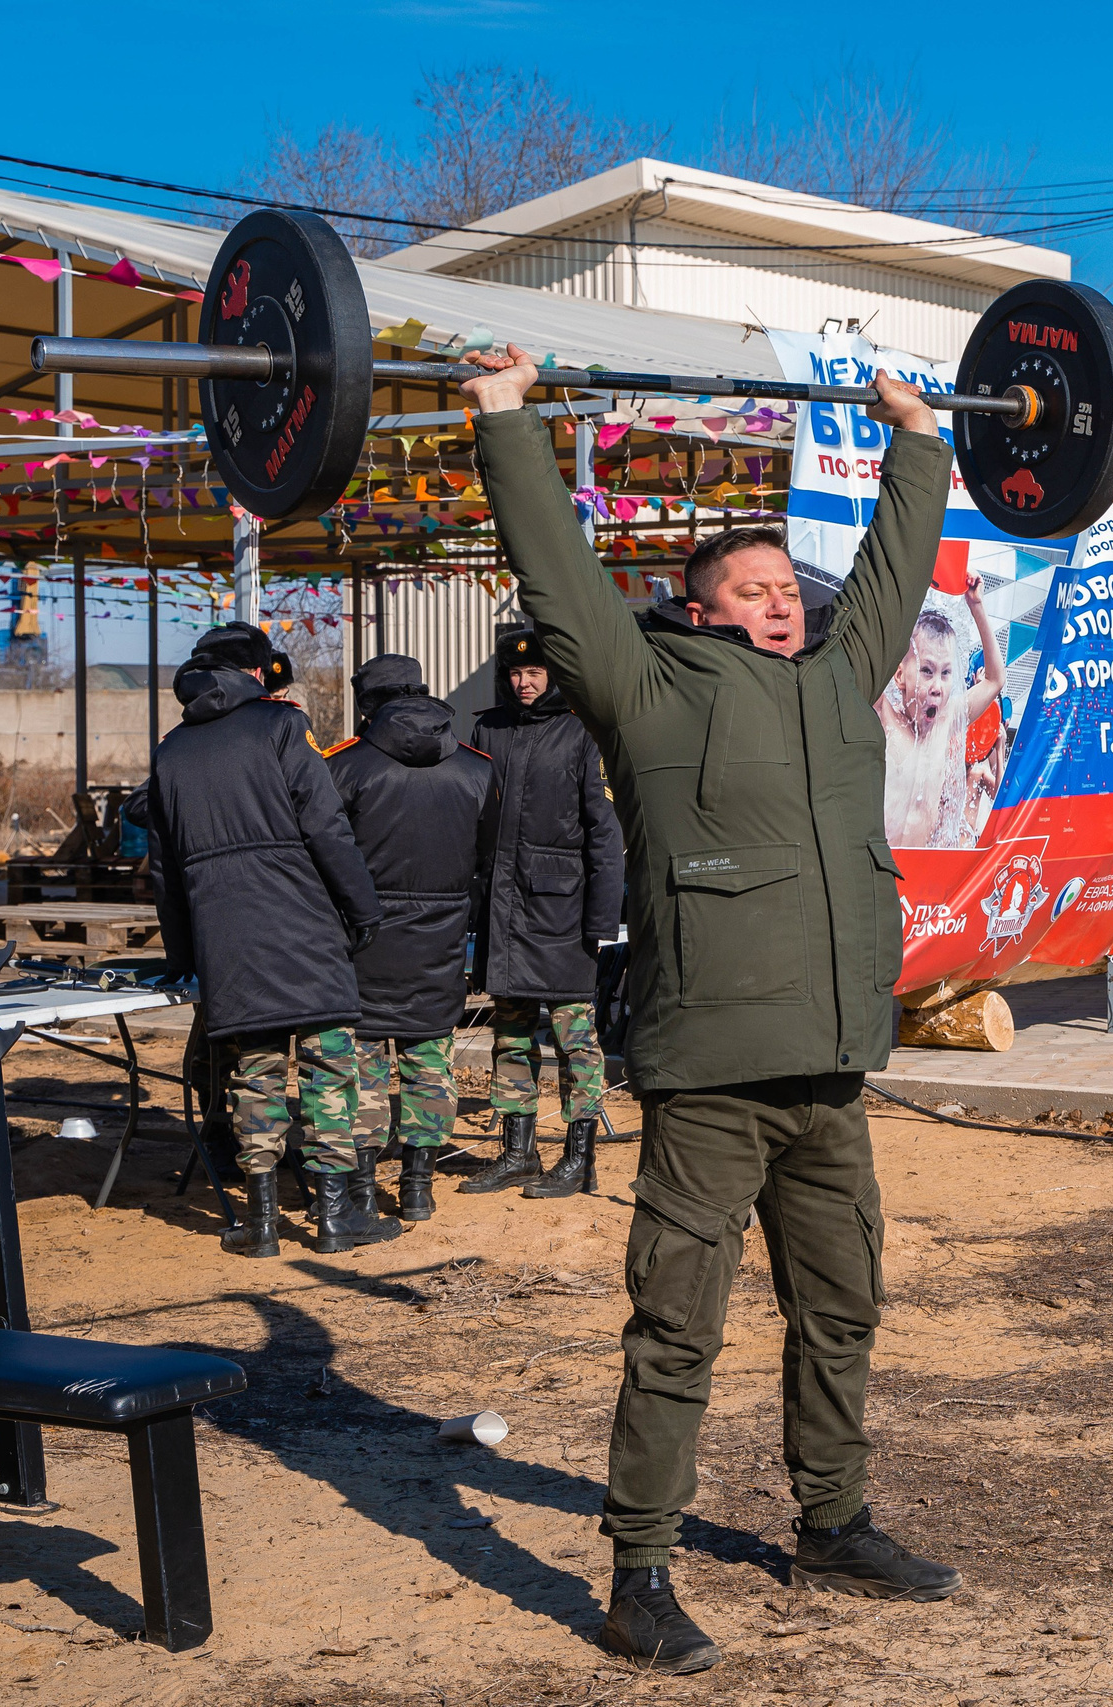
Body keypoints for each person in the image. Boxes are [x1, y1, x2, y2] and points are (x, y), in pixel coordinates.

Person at [466, 345, 960, 1675]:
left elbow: (893, 568)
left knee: (843, 1306)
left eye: (787, 587)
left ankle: (834, 1522)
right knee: (679, 1327)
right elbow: (559, 576)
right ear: (697, 608)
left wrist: (918, 438)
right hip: (714, 1079)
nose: (782, 602)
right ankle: (639, 1572)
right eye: (751, 588)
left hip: (832, 1072)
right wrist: (506, 420)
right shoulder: (646, 687)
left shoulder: (837, 678)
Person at [147, 621, 392, 1257]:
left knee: (252, 1073)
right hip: (301, 922)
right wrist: (361, 906)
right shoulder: (282, 725)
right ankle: (335, 1219)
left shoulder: (170, 750)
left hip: (225, 937)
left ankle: (260, 1225)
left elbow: (163, 868)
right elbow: (326, 825)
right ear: (258, 673)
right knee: (328, 1066)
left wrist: (183, 953)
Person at [324, 653, 492, 1223]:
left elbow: (323, 854)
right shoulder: (476, 766)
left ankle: (363, 1188)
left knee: (363, 1066)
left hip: (362, 936)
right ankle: (418, 1187)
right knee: (429, 1061)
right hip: (442, 935)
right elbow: (490, 855)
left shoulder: (342, 766)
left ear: (367, 705)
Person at [461, 622, 623, 1199]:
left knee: (575, 1038)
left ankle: (579, 1158)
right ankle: (518, 1153)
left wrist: (601, 921)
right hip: (502, 909)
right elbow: (475, 818)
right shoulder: (488, 728)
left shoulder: (583, 731)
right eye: (515, 673)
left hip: (562, 912)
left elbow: (604, 833)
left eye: (535, 672)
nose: (524, 683)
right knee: (510, 1034)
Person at [876, 581, 1004, 848]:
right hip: (881, 861)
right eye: (927, 670)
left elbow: (995, 680)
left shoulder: (946, 722)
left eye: (946, 673)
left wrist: (977, 606)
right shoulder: (884, 717)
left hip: (923, 862)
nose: (937, 686)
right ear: (899, 676)